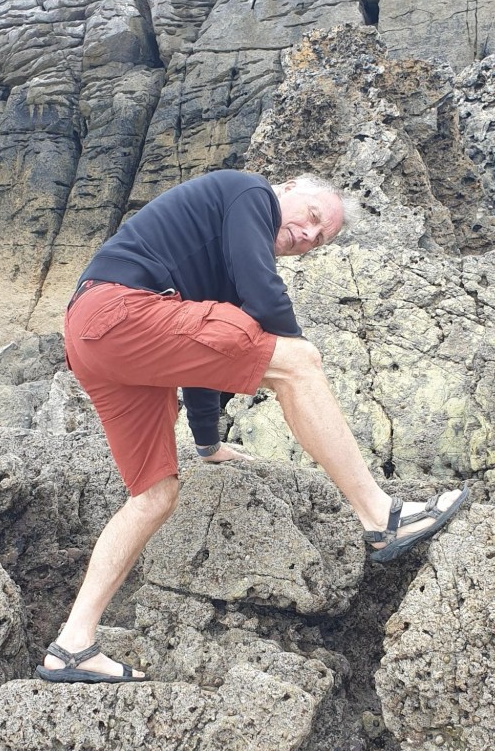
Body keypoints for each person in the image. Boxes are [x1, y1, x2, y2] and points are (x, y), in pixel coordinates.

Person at [36, 170, 469, 684]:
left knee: (154, 496)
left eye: (319, 239)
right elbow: (263, 296)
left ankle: (72, 645)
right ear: (288, 187)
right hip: (121, 311)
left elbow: (199, 359)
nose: (308, 235)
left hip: (93, 337)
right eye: (312, 216)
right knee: (296, 360)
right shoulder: (250, 191)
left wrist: (207, 444)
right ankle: (381, 516)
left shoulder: (220, 263)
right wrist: (297, 357)